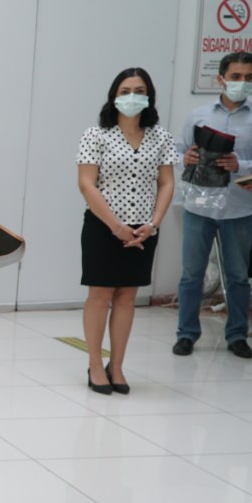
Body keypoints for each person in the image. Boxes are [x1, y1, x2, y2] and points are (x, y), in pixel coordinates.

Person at [76, 68, 178, 393]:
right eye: (125, 91)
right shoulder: (96, 135)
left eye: (139, 91)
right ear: (114, 96)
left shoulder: (161, 137)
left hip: (144, 229)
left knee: (127, 297)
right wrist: (116, 226)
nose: (132, 96)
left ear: (149, 97)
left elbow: (166, 182)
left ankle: (117, 366)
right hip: (104, 226)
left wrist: (154, 223)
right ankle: (95, 364)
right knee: (100, 294)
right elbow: (87, 184)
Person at [175, 51, 252, 359]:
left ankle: (237, 335)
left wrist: (240, 166)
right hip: (199, 205)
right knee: (191, 275)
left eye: (248, 77)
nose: (241, 82)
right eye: (235, 77)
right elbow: (177, 151)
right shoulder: (199, 115)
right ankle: (186, 334)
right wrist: (186, 157)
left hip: (239, 208)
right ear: (221, 78)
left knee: (238, 276)